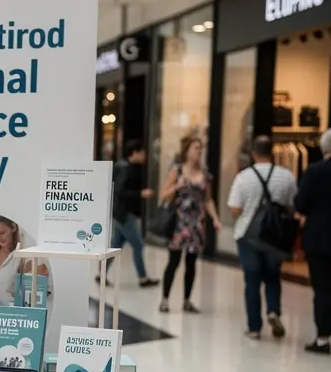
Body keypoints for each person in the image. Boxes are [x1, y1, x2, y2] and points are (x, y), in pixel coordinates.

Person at [228, 134, 296, 339]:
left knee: (252, 280)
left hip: (248, 235)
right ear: (272, 152)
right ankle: (273, 311)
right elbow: (292, 206)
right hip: (275, 235)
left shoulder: (243, 177)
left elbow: (234, 209)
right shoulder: (286, 176)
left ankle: (254, 328)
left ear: (253, 153)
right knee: (273, 276)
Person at [158, 135, 220, 313]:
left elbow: (208, 200)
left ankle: (187, 299)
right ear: (187, 150)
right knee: (174, 261)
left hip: (197, 224)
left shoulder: (205, 174)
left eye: (200, 148)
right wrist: (176, 186)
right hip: (179, 222)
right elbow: (163, 194)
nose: (199, 151)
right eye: (195, 147)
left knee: (191, 263)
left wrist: (214, 218)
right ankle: (165, 298)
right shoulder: (177, 170)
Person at [295, 128, 331, 353]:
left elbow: (300, 204)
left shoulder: (315, 171)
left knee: (322, 289)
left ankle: (323, 337)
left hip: (319, 239)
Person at [107, 139, 158, 287]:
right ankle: (143, 278)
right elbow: (120, 191)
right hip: (125, 214)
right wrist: (140, 193)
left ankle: (100, 273)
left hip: (120, 213)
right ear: (134, 153)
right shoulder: (125, 168)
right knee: (138, 245)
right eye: (142, 153)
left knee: (115, 245)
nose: (144, 156)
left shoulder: (126, 166)